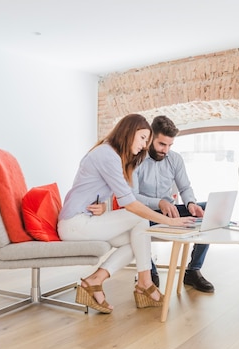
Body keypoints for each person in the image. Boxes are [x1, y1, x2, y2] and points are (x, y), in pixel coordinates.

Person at [57, 113, 196, 313]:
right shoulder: (107, 154)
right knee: (140, 218)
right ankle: (145, 285)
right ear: (129, 132)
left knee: (135, 242)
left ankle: (95, 281)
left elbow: (90, 189)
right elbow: (130, 203)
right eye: (142, 138)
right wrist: (170, 222)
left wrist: (103, 207)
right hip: (74, 224)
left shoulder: (111, 154)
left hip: (84, 220)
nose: (143, 145)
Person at [132, 115, 215, 293]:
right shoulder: (135, 159)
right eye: (162, 144)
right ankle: (150, 271)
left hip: (170, 212)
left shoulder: (175, 159)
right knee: (135, 222)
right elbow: (132, 197)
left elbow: (185, 187)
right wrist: (158, 202)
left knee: (208, 209)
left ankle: (193, 271)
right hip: (143, 214)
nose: (166, 150)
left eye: (170, 145)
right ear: (150, 138)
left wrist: (191, 203)